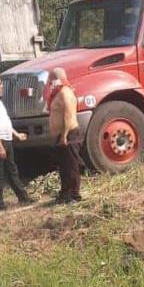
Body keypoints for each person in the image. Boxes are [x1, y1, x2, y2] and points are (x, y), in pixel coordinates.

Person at [0, 75, 33, 210]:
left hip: (7, 139)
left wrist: (16, 135)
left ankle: (23, 197)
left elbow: (4, 122)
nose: (2, 86)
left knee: (12, 170)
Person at [47, 67, 82, 203]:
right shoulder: (58, 93)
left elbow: (69, 115)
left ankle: (74, 195)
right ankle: (65, 194)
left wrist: (64, 135)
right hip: (61, 135)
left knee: (71, 166)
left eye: (51, 79)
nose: (50, 82)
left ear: (57, 79)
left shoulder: (65, 93)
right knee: (64, 167)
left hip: (68, 134)